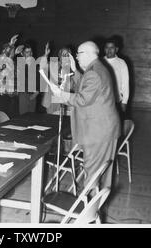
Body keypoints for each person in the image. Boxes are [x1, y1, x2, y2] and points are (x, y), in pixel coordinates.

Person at [50, 41, 120, 189]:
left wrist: (60, 94)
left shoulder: (94, 72)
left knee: (93, 172)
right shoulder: (96, 68)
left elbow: (82, 99)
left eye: (78, 54)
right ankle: (97, 207)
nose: (76, 56)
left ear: (88, 54)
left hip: (97, 131)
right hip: (104, 129)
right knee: (102, 173)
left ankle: (89, 210)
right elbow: (86, 85)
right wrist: (75, 70)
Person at [0, 34, 21, 119]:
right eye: (11, 50)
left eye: (13, 50)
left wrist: (16, 91)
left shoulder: (13, 63)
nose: (12, 51)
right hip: (3, 97)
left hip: (13, 98)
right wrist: (10, 44)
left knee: (13, 121)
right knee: (2, 122)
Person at [104, 38, 130, 117]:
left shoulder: (121, 63)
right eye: (107, 48)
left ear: (116, 49)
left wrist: (124, 101)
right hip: (102, 99)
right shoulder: (100, 62)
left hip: (116, 100)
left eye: (111, 48)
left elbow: (125, 84)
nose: (109, 50)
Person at [17, 43, 39, 114]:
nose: (29, 54)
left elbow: (40, 80)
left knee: (32, 117)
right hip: (24, 95)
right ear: (23, 54)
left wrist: (37, 92)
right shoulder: (19, 65)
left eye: (30, 52)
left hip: (34, 94)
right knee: (23, 117)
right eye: (27, 52)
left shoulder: (35, 65)